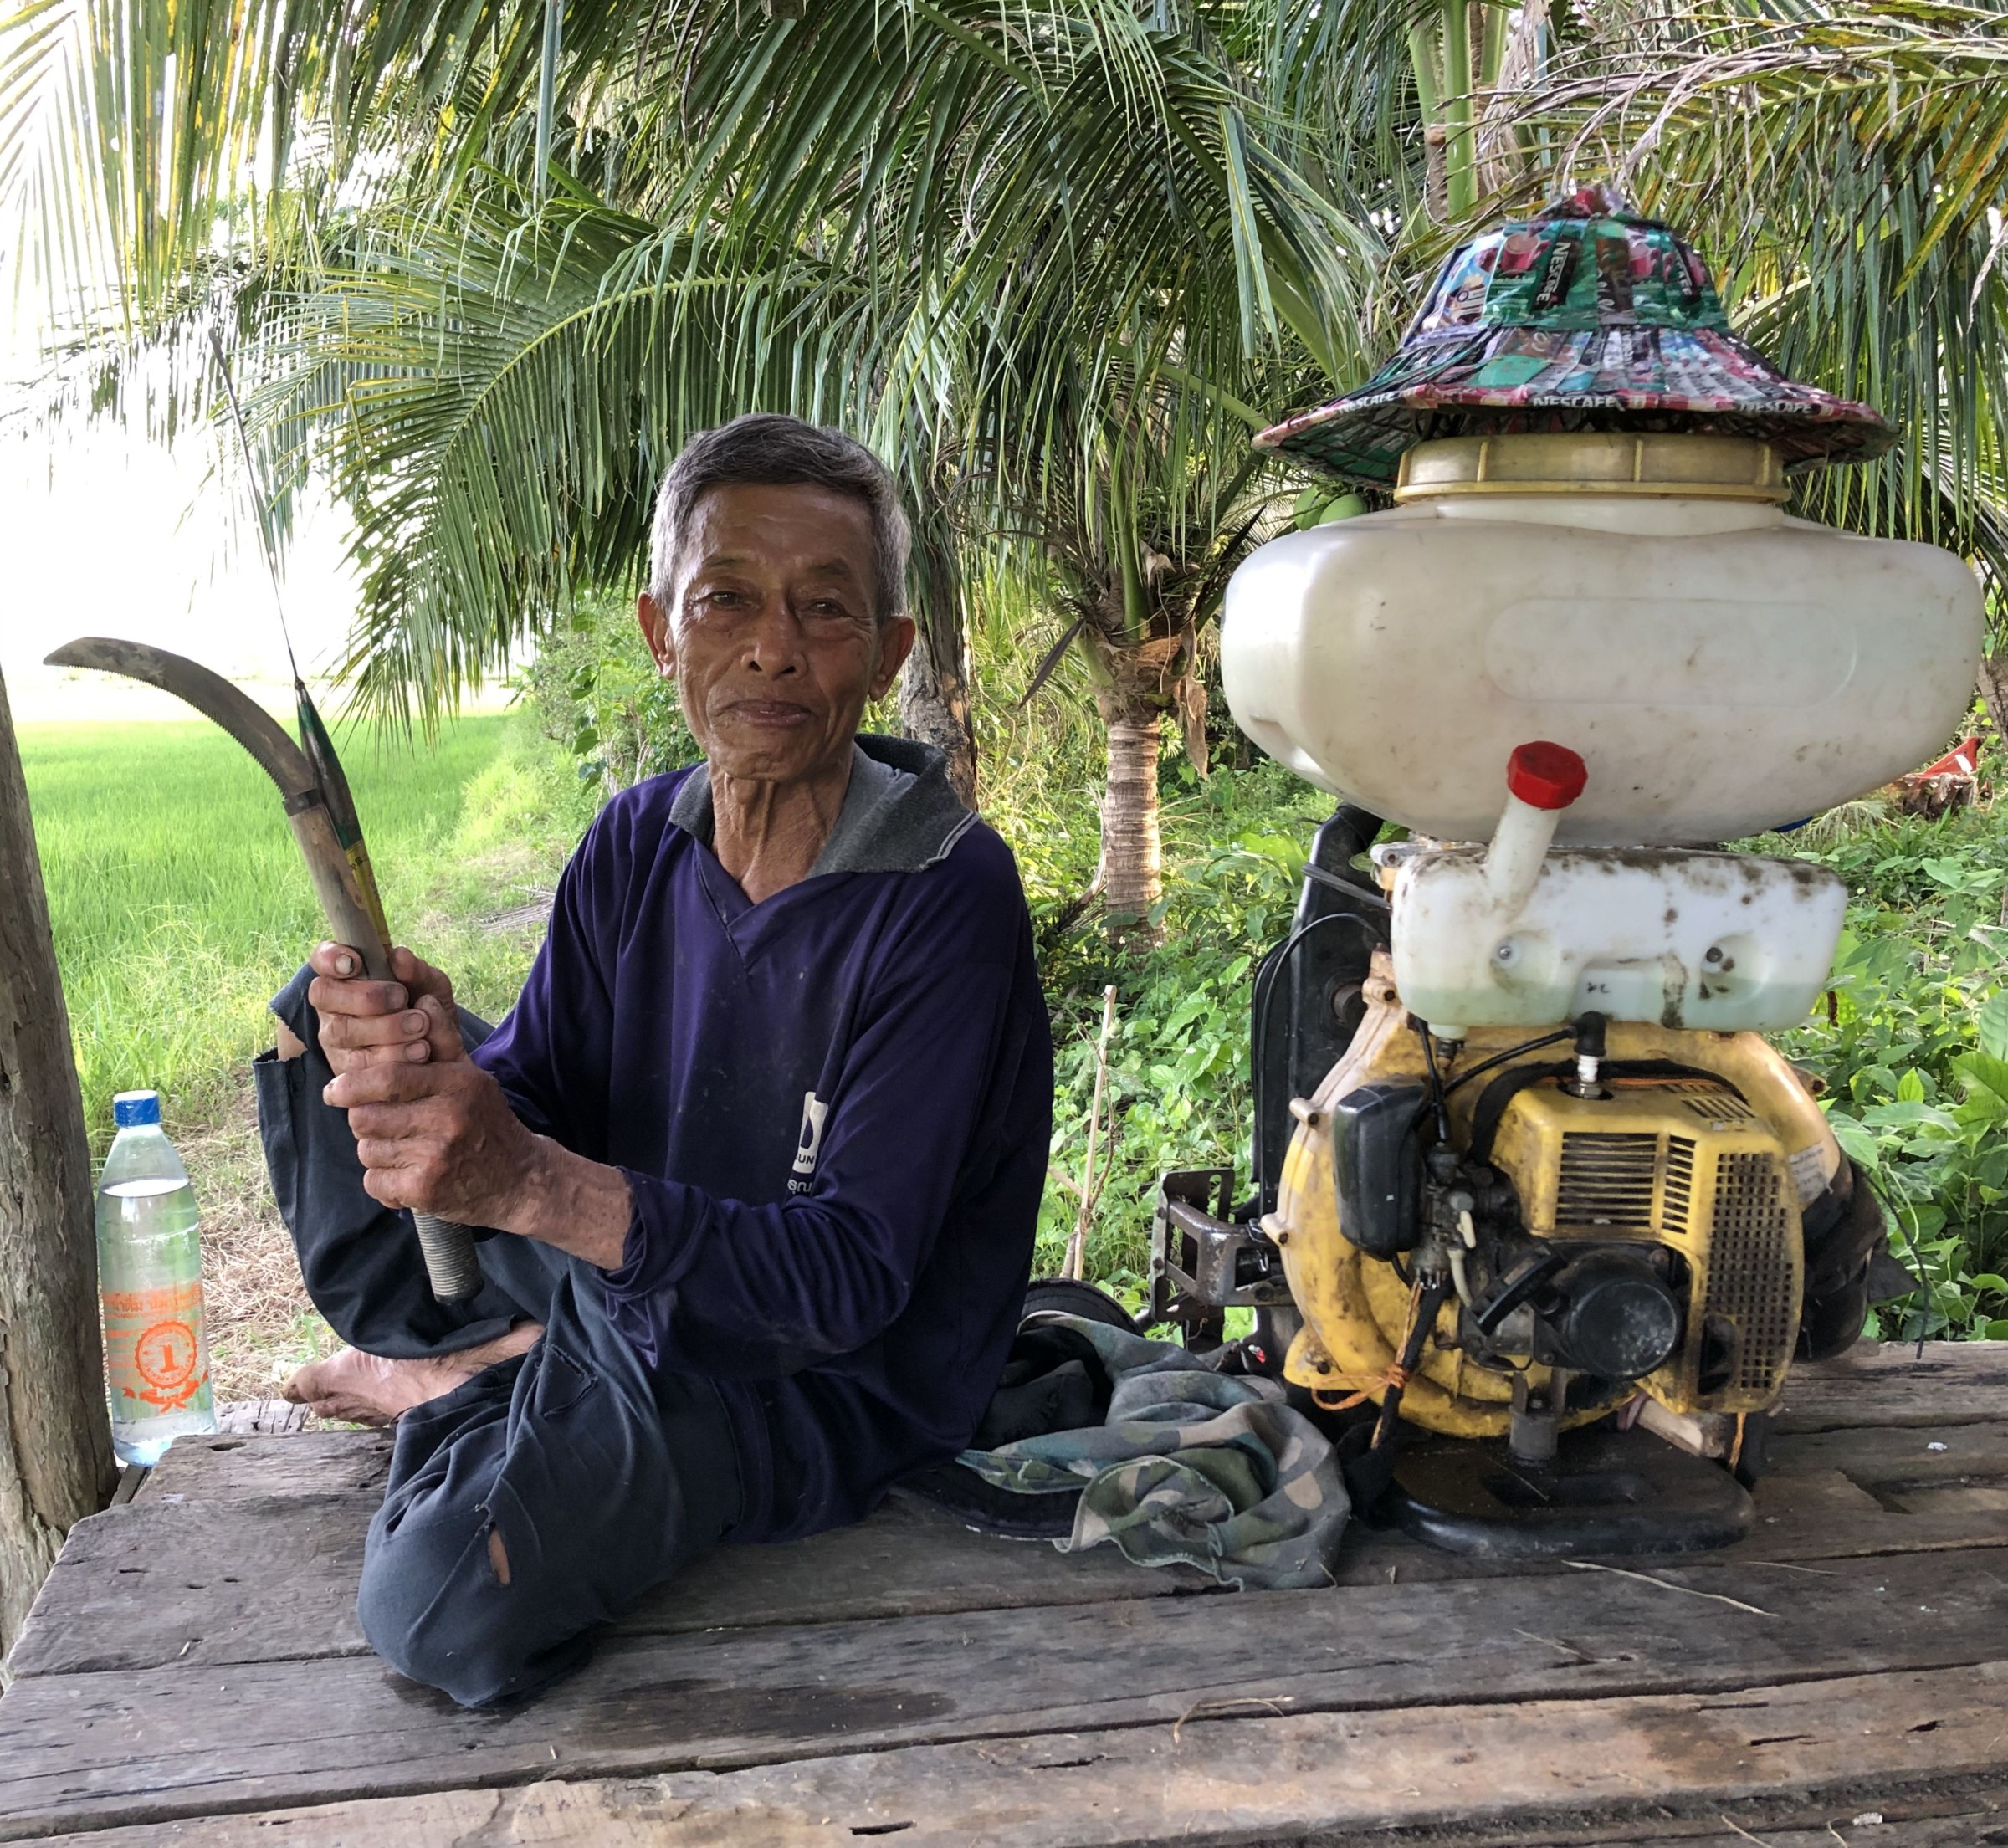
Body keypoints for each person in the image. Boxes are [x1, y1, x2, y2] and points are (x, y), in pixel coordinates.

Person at [254, 414, 1053, 1707]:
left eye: (825, 609)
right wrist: (444, 1062)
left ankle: (470, 1379)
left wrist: (528, 1188)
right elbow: (544, 1095)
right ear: (659, 630)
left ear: (889, 648)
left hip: (803, 1372)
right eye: (725, 597)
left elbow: (848, 1282)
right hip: (630, 1276)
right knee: (316, 1020)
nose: (772, 646)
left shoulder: (944, 891)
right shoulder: (637, 838)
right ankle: (507, 1360)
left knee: (439, 1608)